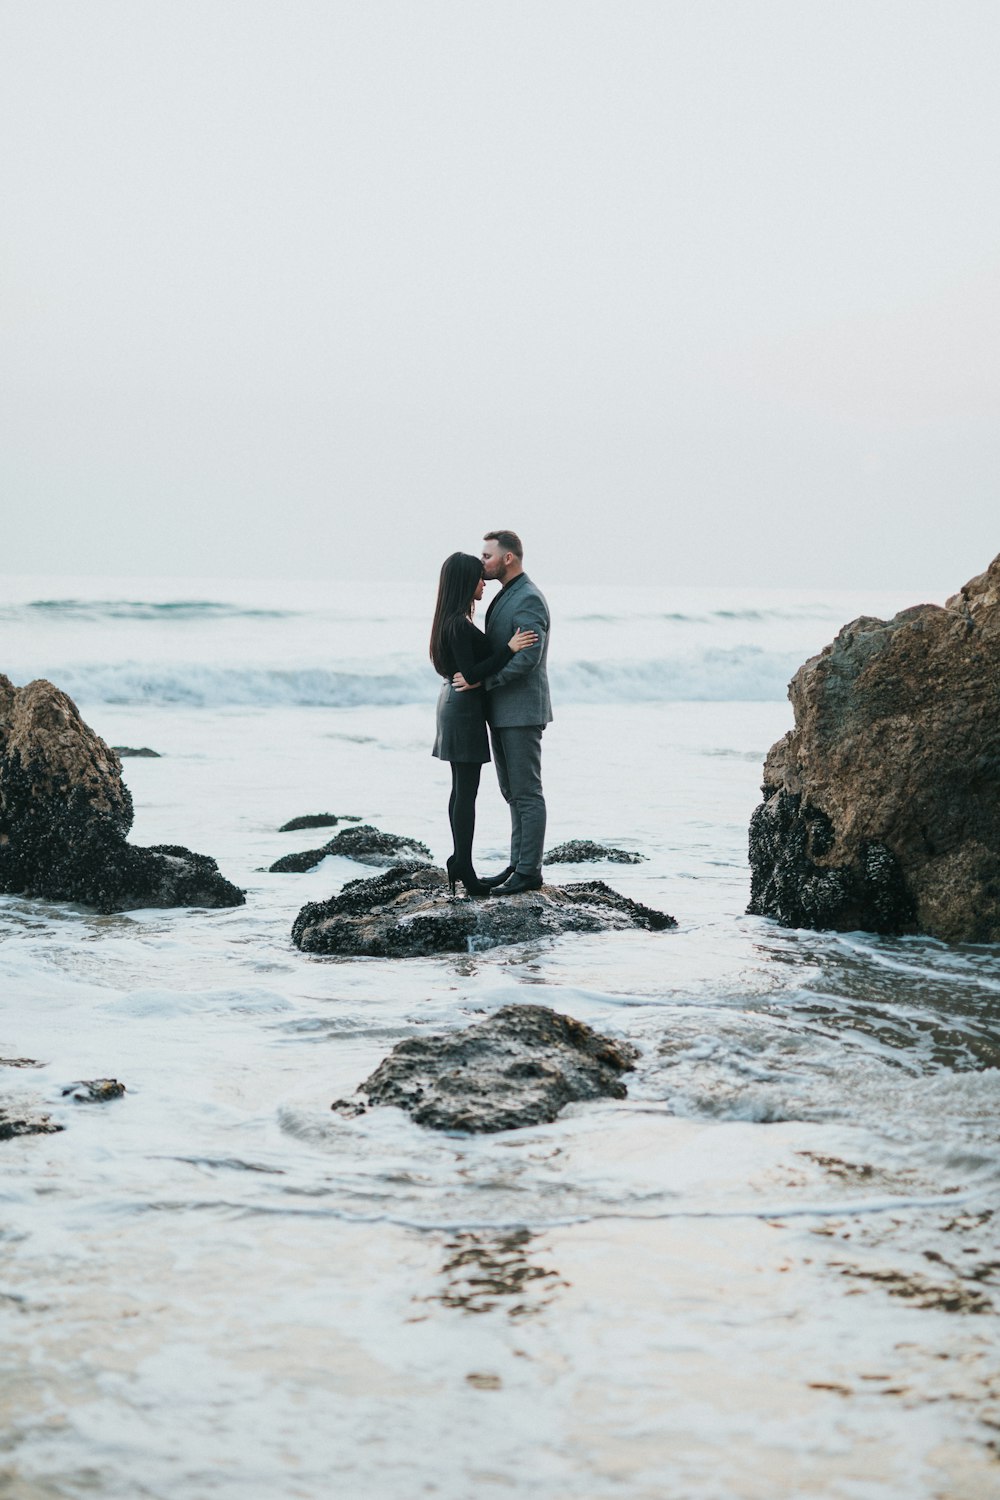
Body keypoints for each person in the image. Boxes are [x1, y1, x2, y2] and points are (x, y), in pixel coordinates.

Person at [430, 552, 538, 898]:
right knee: (466, 792)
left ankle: (461, 861)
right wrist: (508, 647)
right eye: (479, 578)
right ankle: (465, 868)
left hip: (453, 704)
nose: (483, 584)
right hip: (462, 709)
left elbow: (464, 672)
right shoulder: (459, 624)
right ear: (466, 582)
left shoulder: (450, 620)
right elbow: (470, 674)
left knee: (460, 789)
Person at [453, 530, 551, 894]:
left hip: (521, 710)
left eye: (487, 556)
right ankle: (517, 865)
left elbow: (528, 658)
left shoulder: (527, 598)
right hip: (503, 711)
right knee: (512, 791)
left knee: (527, 792)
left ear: (508, 558)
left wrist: (484, 683)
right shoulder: (504, 596)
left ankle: (530, 872)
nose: (482, 563)